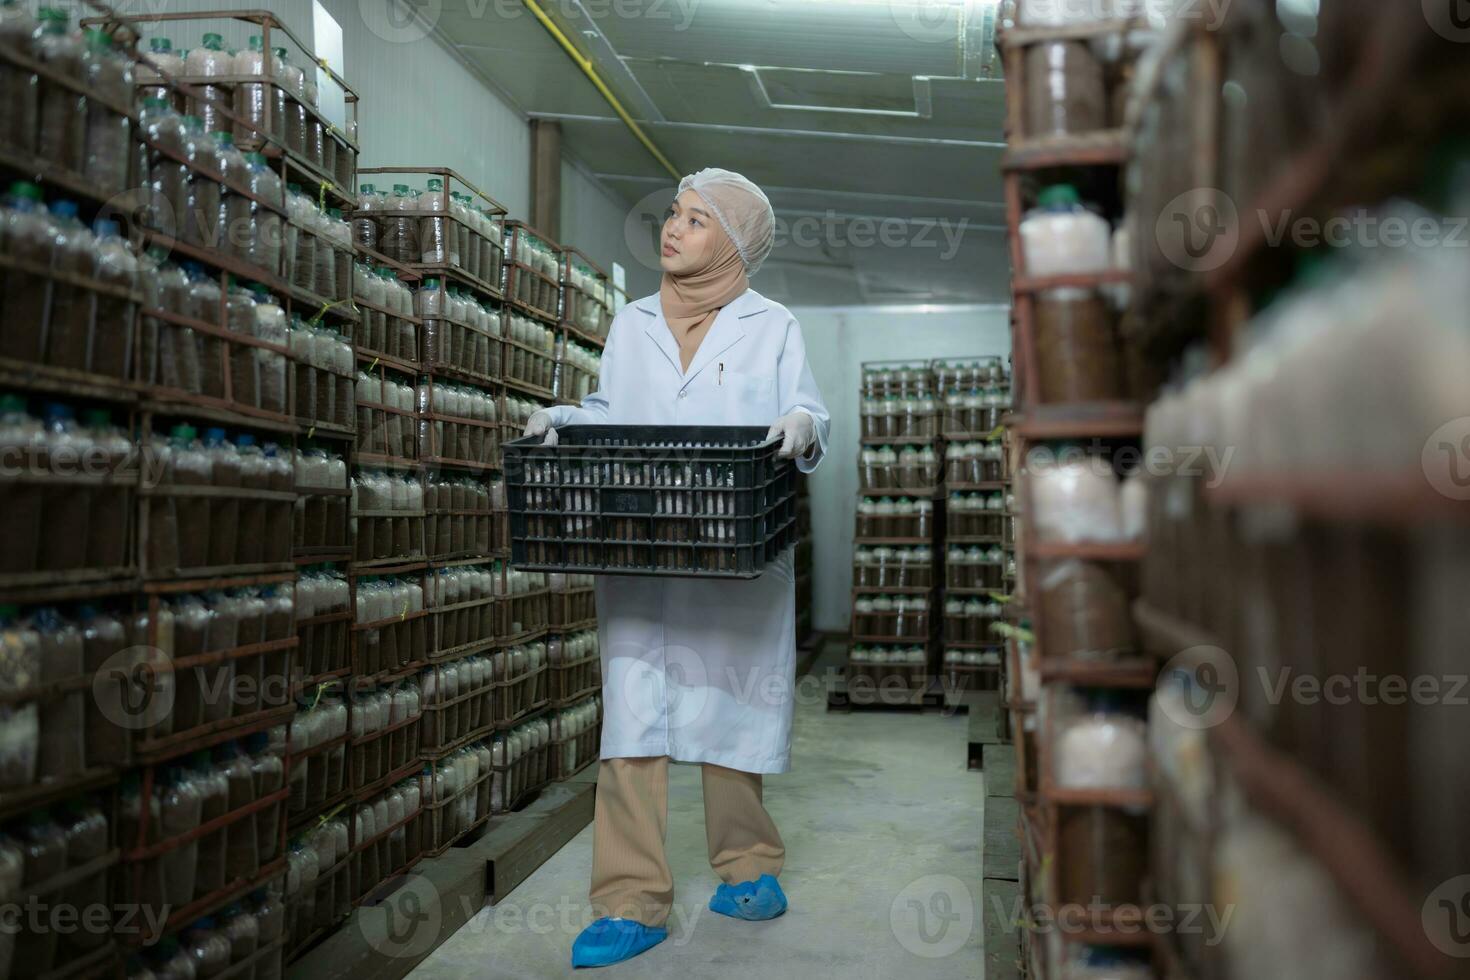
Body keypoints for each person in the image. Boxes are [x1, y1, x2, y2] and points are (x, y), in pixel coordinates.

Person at [524, 168, 831, 968]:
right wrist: (565, 421)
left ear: (731, 244)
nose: (673, 229)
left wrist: (800, 423)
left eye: (696, 221)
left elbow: (807, 405)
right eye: (674, 214)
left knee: (730, 713)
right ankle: (632, 902)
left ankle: (748, 866)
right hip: (644, 548)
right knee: (634, 723)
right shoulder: (630, 324)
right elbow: (610, 409)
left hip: (731, 551)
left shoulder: (773, 326)